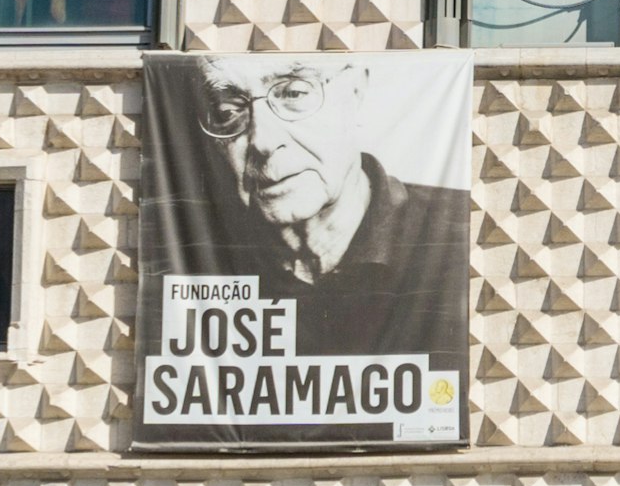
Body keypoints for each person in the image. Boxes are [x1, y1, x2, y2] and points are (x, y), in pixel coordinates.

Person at [173, 58, 468, 352]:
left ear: (355, 92)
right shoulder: (190, 261)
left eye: (293, 94)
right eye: (228, 111)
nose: (263, 141)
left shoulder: (462, 240)